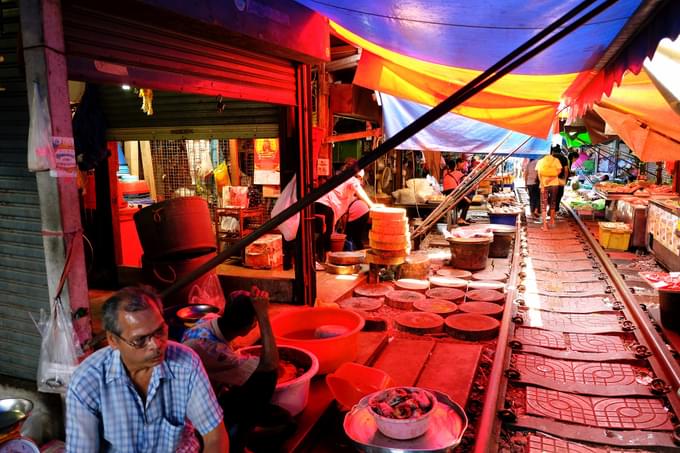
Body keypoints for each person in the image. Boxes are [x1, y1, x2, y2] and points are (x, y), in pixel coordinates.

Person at [65, 286, 228, 453]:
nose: (156, 345)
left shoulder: (186, 364)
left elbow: (215, 436)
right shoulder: (86, 382)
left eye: (160, 331)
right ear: (113, 340)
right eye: (140, 339)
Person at [182, 287, 292, 452]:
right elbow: (270, 365)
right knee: (264, 381)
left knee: (285, 420)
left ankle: (244, 434)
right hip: (196, 416)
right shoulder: (209, 348)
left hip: (209, 394)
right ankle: (236, 445)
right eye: (255, 322)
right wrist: (263, 315)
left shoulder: (211, 319)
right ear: (248, 327)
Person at [314, 158, 376, 262]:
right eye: (360, 178)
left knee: (324, 234)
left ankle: (322, 259)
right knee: (326, 234)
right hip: (324, 206)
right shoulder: (350, 179)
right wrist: (372, 205)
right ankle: (326, 259)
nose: (360, 181)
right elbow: (358, 189)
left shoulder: (343, 180)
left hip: (321, 206)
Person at [536, 148, 564, 231]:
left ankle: (545, 225)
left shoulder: (540, 161)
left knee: (543, 204)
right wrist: (551, 178)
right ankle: (552, 221)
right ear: (552, 152)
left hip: (544, 185)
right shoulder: (556, 160)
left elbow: (539, 174)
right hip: (554, 184)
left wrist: (543, 184)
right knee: (553, 202)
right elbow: (559, 171)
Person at [442, 158, 471, 225]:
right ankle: (461, 219)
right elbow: (467, 179)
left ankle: (458, 217)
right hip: (454, 193)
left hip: (446, 194)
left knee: (463, 200)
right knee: (467, 202)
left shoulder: (445, 173)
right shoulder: (457, 173)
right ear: (455, 166)